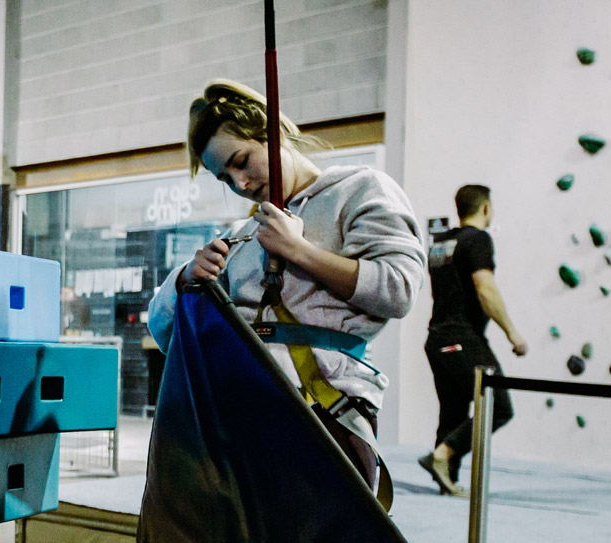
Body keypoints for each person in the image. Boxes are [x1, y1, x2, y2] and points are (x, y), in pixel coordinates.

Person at [149, 79, 426, 497]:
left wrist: (301, 252)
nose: (240, 183)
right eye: (225, 177)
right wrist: (187, 278)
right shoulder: (243, 235)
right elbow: (164, 331)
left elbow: (398, 288)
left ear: (272, 131)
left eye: (242, 161)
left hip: (322, 410)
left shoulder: (360, 190)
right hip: (233, 418)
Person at [419, 185, 526, 496]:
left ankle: (446, 481)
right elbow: (485, 290)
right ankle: (441, 455)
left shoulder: (442, 242)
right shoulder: (478, 239)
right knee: (498, 407)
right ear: (486, 208)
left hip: (437, 338)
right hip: (460, 337)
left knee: (453, 411)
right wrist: (512, 333)